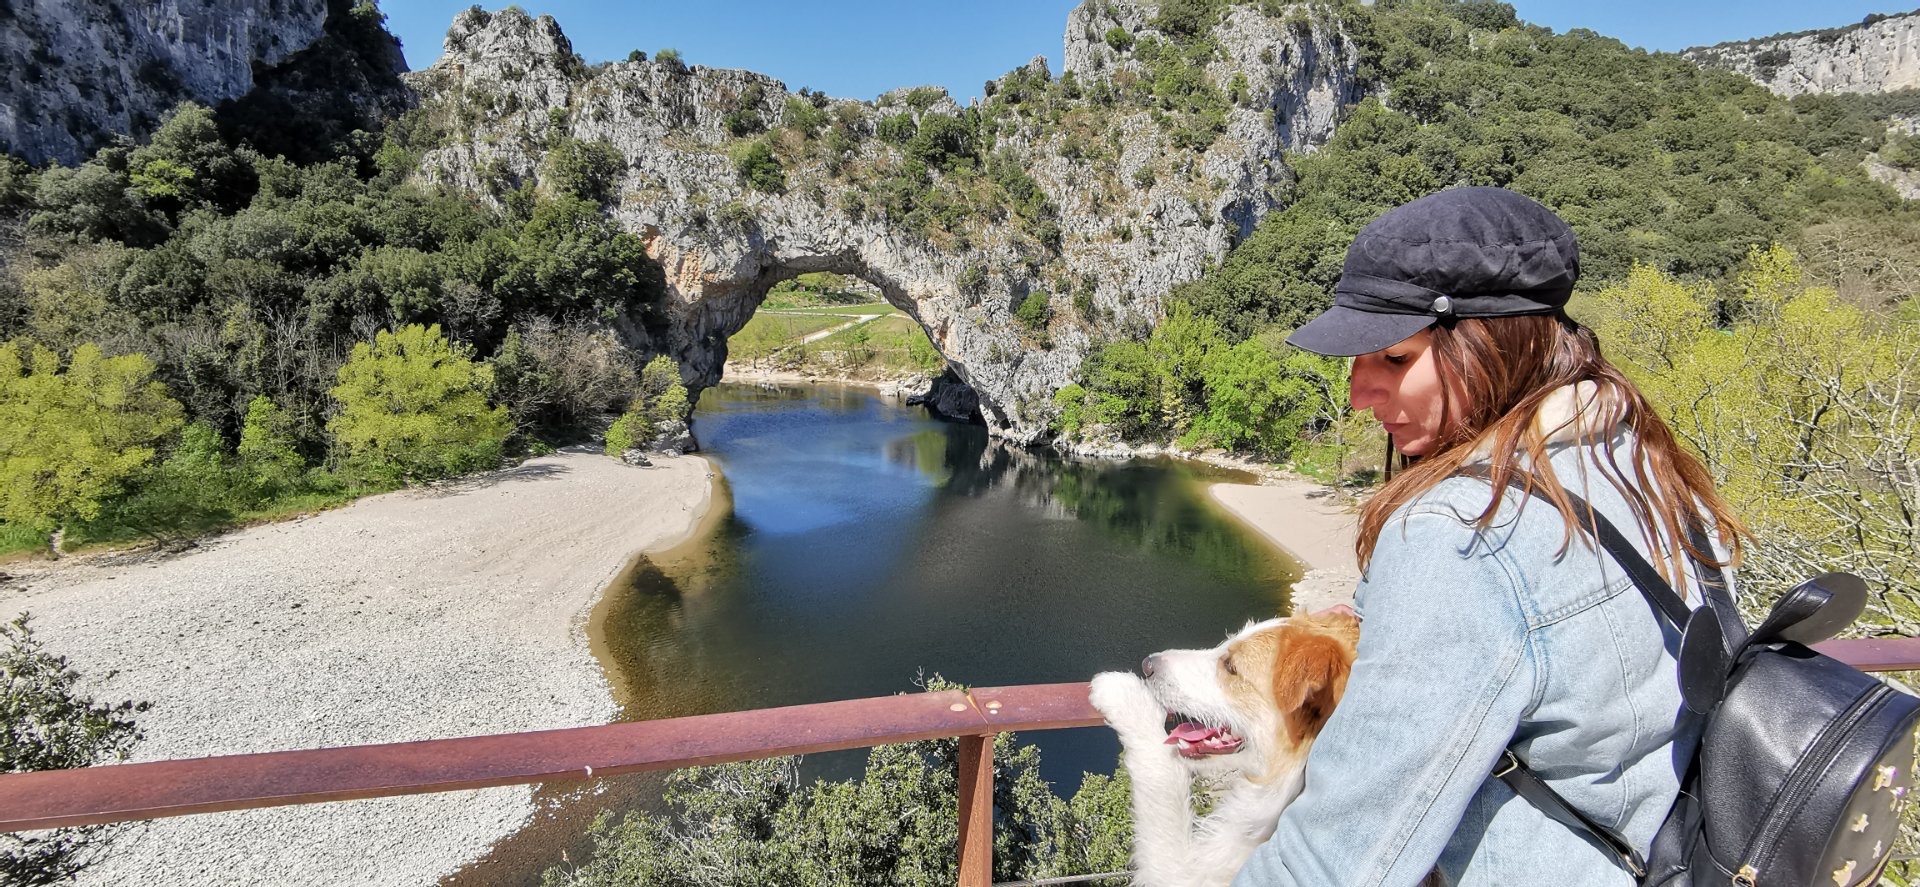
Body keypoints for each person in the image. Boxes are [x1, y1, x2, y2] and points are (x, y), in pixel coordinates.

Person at [1231, 187, 1745, 886]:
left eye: (1392, 358)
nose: (1357, 392)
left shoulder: (1460, 533)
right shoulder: (1641, 463)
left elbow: (1341, 854)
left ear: (1486, 344)